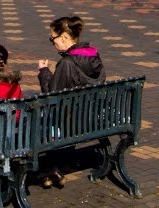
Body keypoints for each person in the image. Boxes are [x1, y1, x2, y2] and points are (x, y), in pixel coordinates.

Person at [37, 16, 104, 189]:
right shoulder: (94, 57)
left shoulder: (67, 63)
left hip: (71, 122)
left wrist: (44, 72)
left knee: (38, 119)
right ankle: (55, 167)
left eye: (53, 39)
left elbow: (51, 95)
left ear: (64, 37)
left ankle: (48, 169)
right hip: (92, 118)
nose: (53, 43)